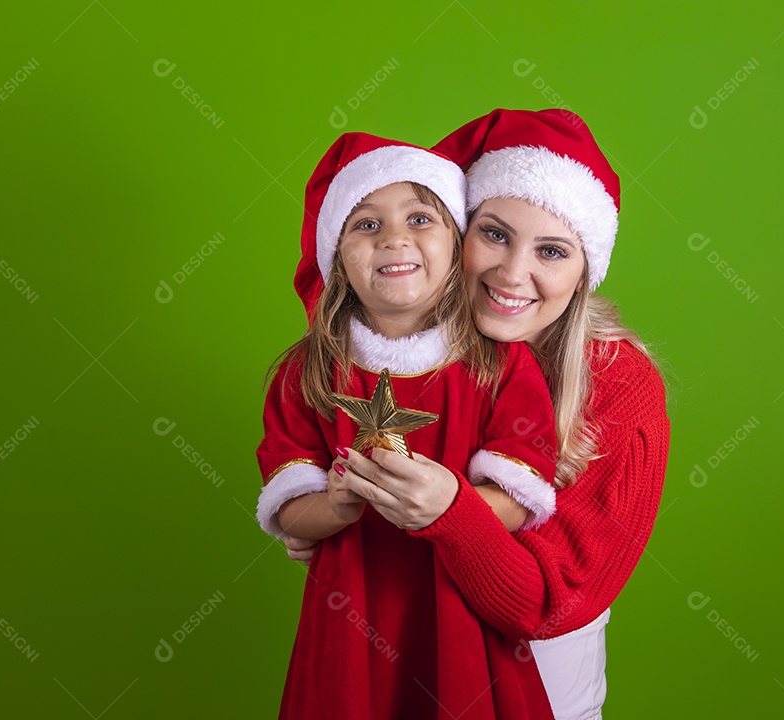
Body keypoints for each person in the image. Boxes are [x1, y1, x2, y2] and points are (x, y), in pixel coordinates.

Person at [306, 109, 671, 720]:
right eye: (494, 234)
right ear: (452, 233)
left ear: (584, 272)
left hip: (545, 693)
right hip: (395, 677)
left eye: (551, 251)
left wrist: (451, 514)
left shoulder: (619, 385)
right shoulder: (389, 350)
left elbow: (547, 607)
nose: (511, 274)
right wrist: (320, 516)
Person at [254, 131, 561, 719]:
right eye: (364, 224)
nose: (394, 237)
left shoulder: (499, 365)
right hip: (350, 618)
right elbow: (289, 508)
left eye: (421, 217)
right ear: (336, 255)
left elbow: (521, 495)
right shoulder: (308, 372)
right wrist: (337, 506)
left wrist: (448, 509)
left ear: (457, 245)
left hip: (460, 610)